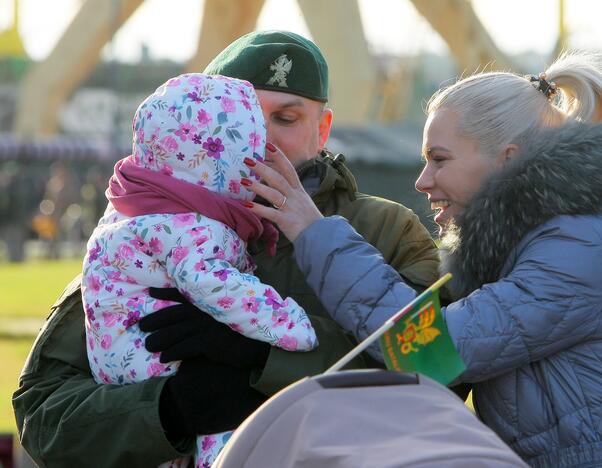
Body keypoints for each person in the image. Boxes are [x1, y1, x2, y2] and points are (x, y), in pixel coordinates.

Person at [13, 30, 440, 467]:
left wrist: (264, 358)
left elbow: (438, 377)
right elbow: (43, 411)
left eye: (286, 119)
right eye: (240, 118)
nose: (260, 139)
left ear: (322, 130)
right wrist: (170, 409)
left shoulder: (385, 229)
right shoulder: (141, 229)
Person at [245, 53, 602, 467]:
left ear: (507, 160)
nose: (422, 180)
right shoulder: (547, 241)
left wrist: (313, 233)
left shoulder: (583, 247)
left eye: (439, 160)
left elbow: (431, 351)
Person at [84, 73, 319, 467]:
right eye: (255, 137)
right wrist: (290, 323)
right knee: (226, 427)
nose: (268, 148)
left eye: (287, 118)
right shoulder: (192, 225)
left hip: (126, 362)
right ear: (221, 158)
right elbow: (213, 282)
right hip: (151, 361)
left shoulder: (136, 204)